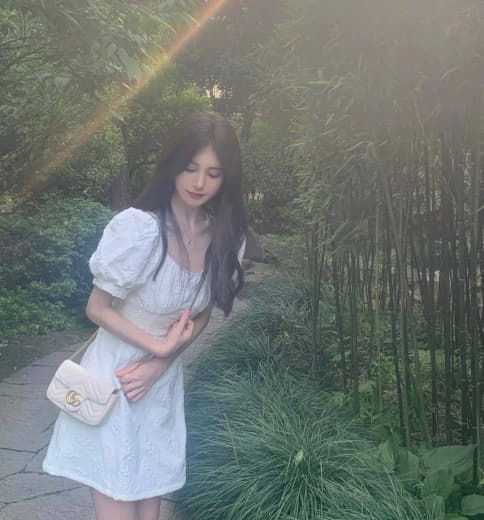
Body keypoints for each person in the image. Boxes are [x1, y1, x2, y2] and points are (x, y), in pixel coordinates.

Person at [42, 111, 247, 520]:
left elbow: (201, 316)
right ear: (172, 165)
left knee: (149, 508)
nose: (199, 183)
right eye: (189, 168)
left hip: (158, 388)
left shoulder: (225, 238)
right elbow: (97, 308)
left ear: (227, 178)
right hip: (114, 381)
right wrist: (158, 346)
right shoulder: (138, 230)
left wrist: (160, 363)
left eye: (213, 173)